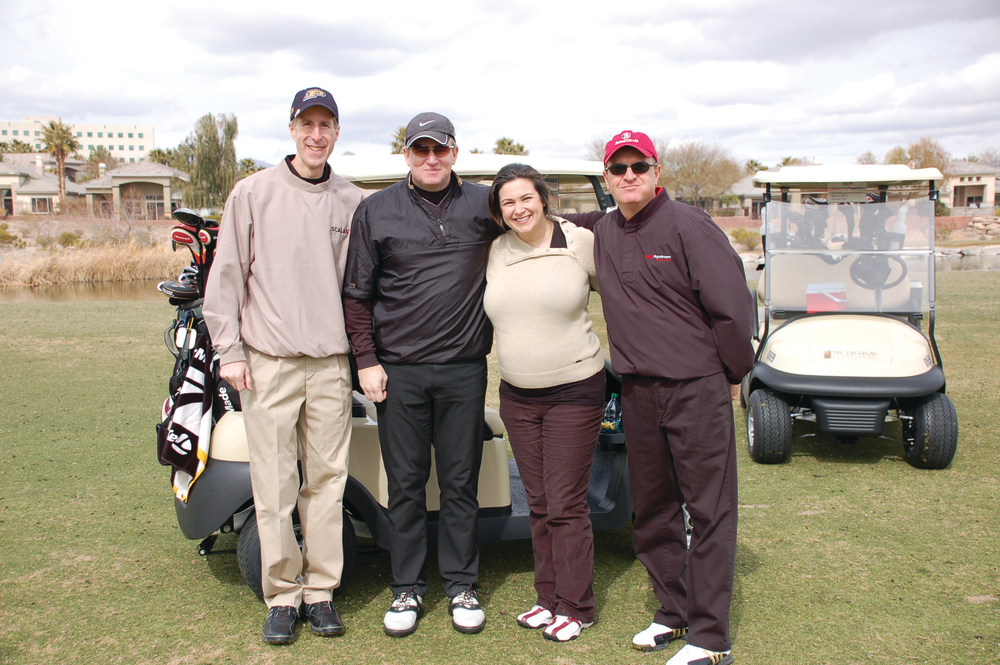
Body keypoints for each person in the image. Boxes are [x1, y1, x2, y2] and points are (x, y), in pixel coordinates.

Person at [580, 131, 755, 665]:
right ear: (606, 178)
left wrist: (732, 373)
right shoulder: (603, 229)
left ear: (657, 172)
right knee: (653, 508)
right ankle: (673, 611)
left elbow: (732, 309)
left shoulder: (689, 227)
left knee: (708, 509)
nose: (629, 175)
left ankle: (709, 636)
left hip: (694, 388)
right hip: (637, 389)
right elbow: (536, 221)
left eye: (639, 165)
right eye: (618, 167)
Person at [203, 87, 363, 645]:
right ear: (292, 129)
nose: (316, 134)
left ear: (337, 131)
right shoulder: (252, 193)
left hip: (330, 365)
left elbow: (364, 288)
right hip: (268, 363)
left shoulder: (353, 201)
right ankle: (281, 595)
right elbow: (224, 278)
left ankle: (320, 593)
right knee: (273, 483)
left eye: (326, 124)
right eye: (307, 124)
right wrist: (230, 352)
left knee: (326, 483)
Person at [343, 112, 492, 637]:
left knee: (459, 483)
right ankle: (406, 587)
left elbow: (536, 225)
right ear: (406, 155)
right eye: (421, 150)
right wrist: (366, 360)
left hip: (464, 369)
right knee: (405, 483)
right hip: (398, 373)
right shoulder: (376, 209)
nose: (432, 159)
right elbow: (357, 295)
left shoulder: (483, 203)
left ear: (455, 152)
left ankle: (461, 584)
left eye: (441, 149)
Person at [481, 163, 605, 643]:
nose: (518, 209)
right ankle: (548, 598)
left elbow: (618, 295)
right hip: (516, 393)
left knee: (566, 503)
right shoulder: (494, 251)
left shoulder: (577, 242)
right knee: (537, 501)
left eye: (525, 198)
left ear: (542, 198)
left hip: (575, 388)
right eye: (507, 202)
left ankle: (578, 605)